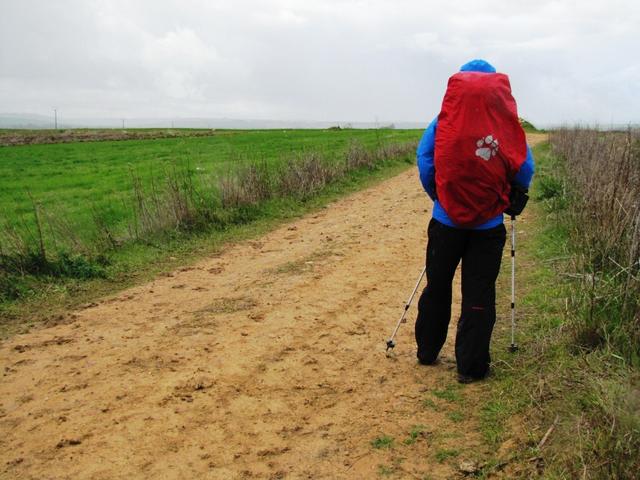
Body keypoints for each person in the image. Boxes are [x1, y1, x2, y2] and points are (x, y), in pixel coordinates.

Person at [415, 59, 534, 383]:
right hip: (488, 227)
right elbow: (525, 168)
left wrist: (440, 196)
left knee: (437, 286)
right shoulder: (506, 123)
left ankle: (427, 351)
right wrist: (509, 197)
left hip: (445, 223)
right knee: (478, 294)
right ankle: (471, 367)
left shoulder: (443, 120)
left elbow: (425, 160)